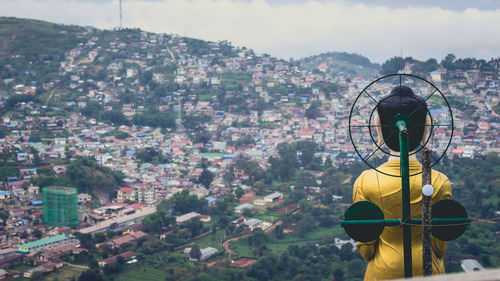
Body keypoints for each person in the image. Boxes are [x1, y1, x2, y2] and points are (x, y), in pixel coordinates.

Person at [353, 85, 451, 280]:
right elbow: (440, 248)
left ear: (380, 130)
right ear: (424, 129)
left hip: (383, 270)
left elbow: (366, 250)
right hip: (428, 269)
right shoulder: (439, 181)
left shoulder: (366, 181)